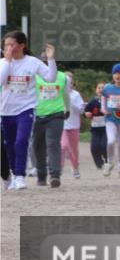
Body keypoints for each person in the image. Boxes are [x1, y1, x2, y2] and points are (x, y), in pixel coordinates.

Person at [1, 33, 57, 190]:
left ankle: (20, 176)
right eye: (5, 45)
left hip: (26, 109)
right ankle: (14, 174)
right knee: (9, 144)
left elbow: (51, 78)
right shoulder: (3, 63)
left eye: (11, 45)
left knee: (21, 140)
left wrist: (51, 59)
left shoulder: (32, 62)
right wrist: (7, 61)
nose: (8, 48)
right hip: (6, 110)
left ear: (22, 45)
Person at [60, 72, 86, 179]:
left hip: (74, 125)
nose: (68, 84)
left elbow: (81, 110)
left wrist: (71, 103)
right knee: (63, 146)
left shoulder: (76, 94)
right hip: (62, 125)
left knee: (74, 149)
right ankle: (59, 168)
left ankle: (75, 167)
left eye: (70, 82)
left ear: (72, 83)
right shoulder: (58, 93)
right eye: (66, 82)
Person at [84, 82, 108, 171]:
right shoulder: (92, 101)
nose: (101, 90)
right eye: (99, 88)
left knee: (104, 146)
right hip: (95, 128)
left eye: (103, 88)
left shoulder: (108, 100)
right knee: (94, 147)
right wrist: (87, 114)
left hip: (106, 128)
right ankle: (99, 163)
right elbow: (86, 111)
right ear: (96, 90)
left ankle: (107, 161)